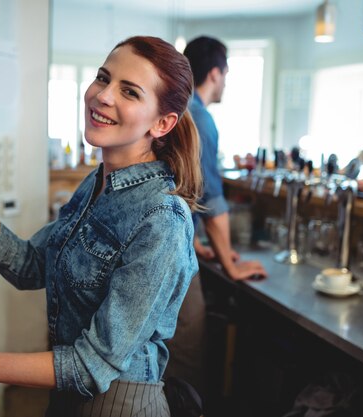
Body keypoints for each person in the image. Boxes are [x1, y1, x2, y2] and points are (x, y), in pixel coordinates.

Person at [0, 35, 202, 417]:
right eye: (103, 78)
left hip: (118, 405)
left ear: (163, 122)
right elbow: (31, 266)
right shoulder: (98, 183)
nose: (103, 96)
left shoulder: (162, 219)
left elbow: (90, 368)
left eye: (129, 91)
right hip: (67, 398)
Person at [164, 35, 266, 405]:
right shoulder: (201, 119)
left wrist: (195, 242)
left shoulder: (177, 109)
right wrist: (230, 265)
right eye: (226, 74)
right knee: (186, 356)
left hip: (174, 243)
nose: (225, 82)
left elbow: (177, 186)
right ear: (214, 73)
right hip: (172, 258)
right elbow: (211, 197)